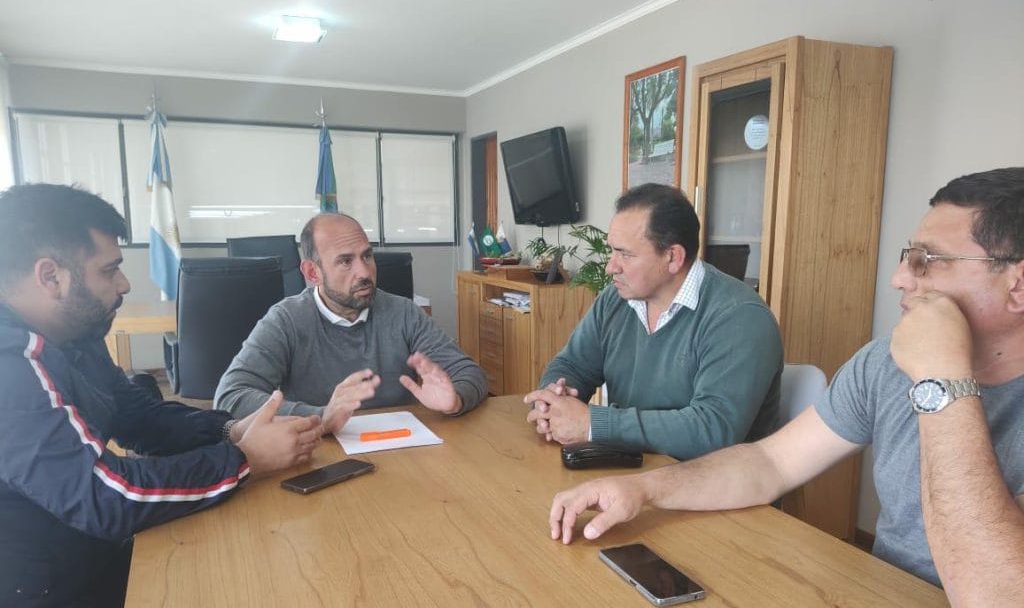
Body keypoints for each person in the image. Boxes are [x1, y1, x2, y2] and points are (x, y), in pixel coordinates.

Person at [547, 168, 1024, 604]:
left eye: (929, 261)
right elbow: (770, 462)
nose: (899, 278)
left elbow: (995, 595)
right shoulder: (885, 362)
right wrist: (642, 489)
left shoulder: (922, 364)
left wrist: (942, 379)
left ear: (1017, 285)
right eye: (908, 257)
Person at [0, 184, 322, 607]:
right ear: (50, 277)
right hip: (42, 586)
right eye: (109, 270)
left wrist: (228, 430)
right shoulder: (10, 364)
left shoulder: (74, 333)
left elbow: (137, 416)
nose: (125, 283)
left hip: (89, 552)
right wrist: (247, 459)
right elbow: (104, 496)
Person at [525, 183, 783, 460]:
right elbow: (572, 364)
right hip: (631, 469)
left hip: (716, 481)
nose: (611, 266)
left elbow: (712, 430)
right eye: (612, 251)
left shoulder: (740, 317)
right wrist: (553, 399)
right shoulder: (615, 300)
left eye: (625, 254)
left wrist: (593, 424)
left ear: (673, 258)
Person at [215, 212, 487, 432]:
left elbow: (468, 372)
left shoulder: (403, 312)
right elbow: (230, 397)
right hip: (319, 452)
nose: (364, 272)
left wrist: (456, 399)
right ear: (313, 272)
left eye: (367, 256)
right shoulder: (286, 319)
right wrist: (321, 417)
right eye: (345, 261)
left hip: (400, 447)